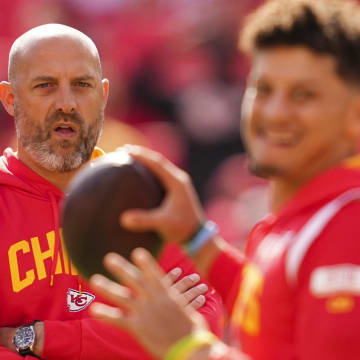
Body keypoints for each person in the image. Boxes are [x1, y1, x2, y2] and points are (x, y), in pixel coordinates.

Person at [88, 0, 360, 359]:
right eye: (263, 89)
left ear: (354, 115)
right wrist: (196, 238)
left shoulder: (347, 225)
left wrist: (187, 345)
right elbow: (274, 319)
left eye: (303, 95)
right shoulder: (310, 217)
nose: (275, 112)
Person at [0, 24, 224, 359]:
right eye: (45, 86)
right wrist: (143, 339)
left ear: (103, 96)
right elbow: (173, 337)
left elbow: (203, 324)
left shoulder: (144, 196)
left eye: (82, 85)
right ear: (11, 99)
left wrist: (40, 338)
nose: (66, 103)